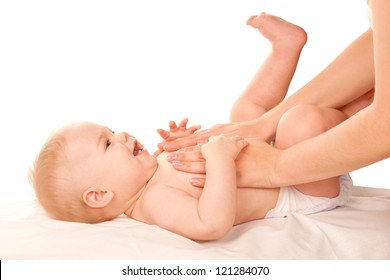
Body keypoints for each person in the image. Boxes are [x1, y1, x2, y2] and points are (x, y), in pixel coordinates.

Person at [29, 13, 352, 241]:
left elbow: (203, 166)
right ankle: (358, 111)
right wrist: (220, 158)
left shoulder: (153, 172)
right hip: (303, 189)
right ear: (100, 194)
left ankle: (286, 47)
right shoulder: (154, 202)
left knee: (244, 113)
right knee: (299, 121)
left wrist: (188, 142)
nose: (122, 134)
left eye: (111, 130)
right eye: (108, 143)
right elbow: (209, 225)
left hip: (277, 163)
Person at [159, 2, 384, 190]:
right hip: (303, 175)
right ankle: (286, 48)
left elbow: (210, 223)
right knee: (251, 119)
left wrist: (272, 166)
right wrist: (263, 126)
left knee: (286, 120)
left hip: (298, 181)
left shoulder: (156, 201)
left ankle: (284, 48)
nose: (125, 139)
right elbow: (380, 40)